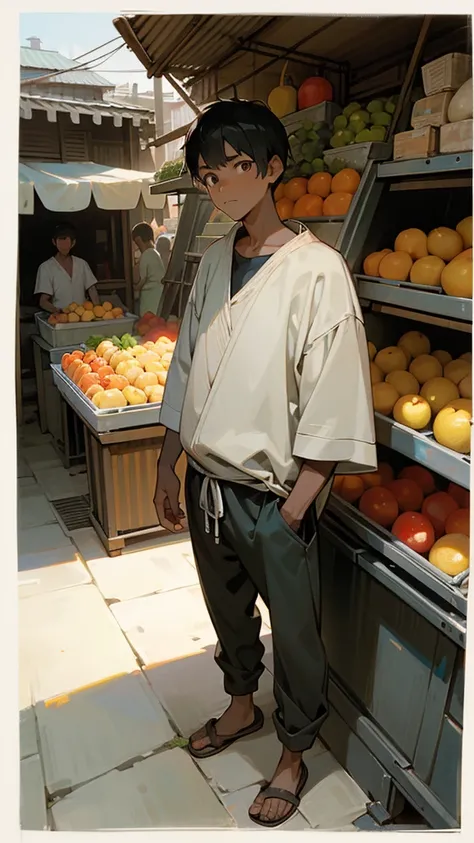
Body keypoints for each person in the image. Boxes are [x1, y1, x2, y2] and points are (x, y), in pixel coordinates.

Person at [154, 99, 377, 828]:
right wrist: (168, 461)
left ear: (273, 169)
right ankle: (241, 704)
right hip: (209, 484)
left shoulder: (318, 271)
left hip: (273, 493)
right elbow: (186, 365)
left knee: (297, 629)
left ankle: (293, 750)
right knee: (227, 612)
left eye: (236, 166)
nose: (220, 183)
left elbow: (336, 390)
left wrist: (296, 504)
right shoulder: (215, 259)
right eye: (208, 172)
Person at [35, 222, 100, 313]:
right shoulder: (46, 267)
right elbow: (43, 301)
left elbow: (92, 289)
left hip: (83, 317)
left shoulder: (82, 264)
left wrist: (99, 311)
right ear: (54, 242)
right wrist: (58, 312)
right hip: (61, 319)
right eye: (61, 240)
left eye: (67, 240)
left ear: (73, 243)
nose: (64, 244)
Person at [131, 222, 166, 316]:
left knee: (148, 322)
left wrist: (135, 288)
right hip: (158, 295)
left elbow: (142, 279)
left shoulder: (146, 255)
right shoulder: (154, 253)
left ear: (138, 240)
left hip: (151, 297)